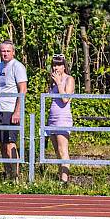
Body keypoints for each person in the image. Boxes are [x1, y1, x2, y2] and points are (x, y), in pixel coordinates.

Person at [0, 40, 27, 180]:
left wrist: (17, 111)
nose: (5, 53)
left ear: (13, 52)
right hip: (0, 109)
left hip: (11, 109)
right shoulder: (1, 65)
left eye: (8, 51)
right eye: (2, 51)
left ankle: (15, 176)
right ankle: (8, 174)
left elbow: (23, 89)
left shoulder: (17, 66)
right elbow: (4, 87)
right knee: (1, 144)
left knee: (10, 144)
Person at [45, 53, 75, 184]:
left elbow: (65, 99)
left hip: (63, 118)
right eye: (54, 65)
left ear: (64, 66)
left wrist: (58, 83)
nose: (56, 67)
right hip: (52, 118)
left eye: (59, 64)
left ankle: (64, 181)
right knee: (56, 151)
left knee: (63, 150)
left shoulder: (69, 79)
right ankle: (60, 176)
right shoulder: (52, 80)